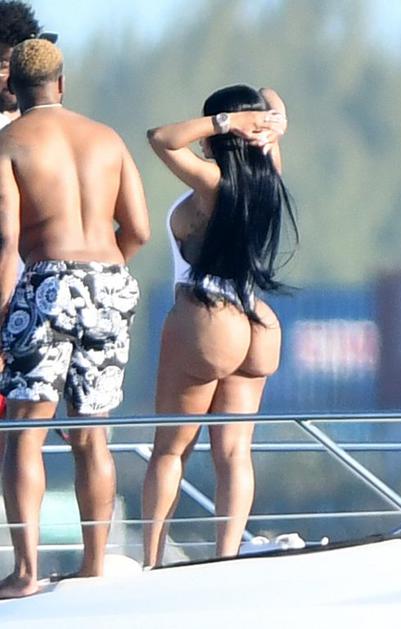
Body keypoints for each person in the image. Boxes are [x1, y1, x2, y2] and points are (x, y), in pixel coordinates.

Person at [0, 38, 150, 599]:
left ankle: (25, 571)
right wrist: (100, 277)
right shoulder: (106, 138)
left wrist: (5, 312)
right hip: (111, 280)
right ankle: (93, 566)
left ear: (12, 87)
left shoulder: (9, 142)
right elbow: (138, 230)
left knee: (25, 432)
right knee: (92, 434)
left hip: (47, 280)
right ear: (61, 84)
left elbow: (6, 242)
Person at [143, 84, 298, 566]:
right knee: (234, 453)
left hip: (206, 314)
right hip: (257, 318)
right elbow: (271, 94)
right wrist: (271, 127)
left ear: (216, 138)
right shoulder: (268, 172)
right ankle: (226, 557)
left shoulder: (213, 182)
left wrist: (226, 123)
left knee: (171, 451)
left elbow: (161, 138)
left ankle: (153, 560)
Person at [0, 0, 42, 463]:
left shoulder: (41, 128)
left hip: (34, 296)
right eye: (3, 67)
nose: (11, 79)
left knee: (20, 430)